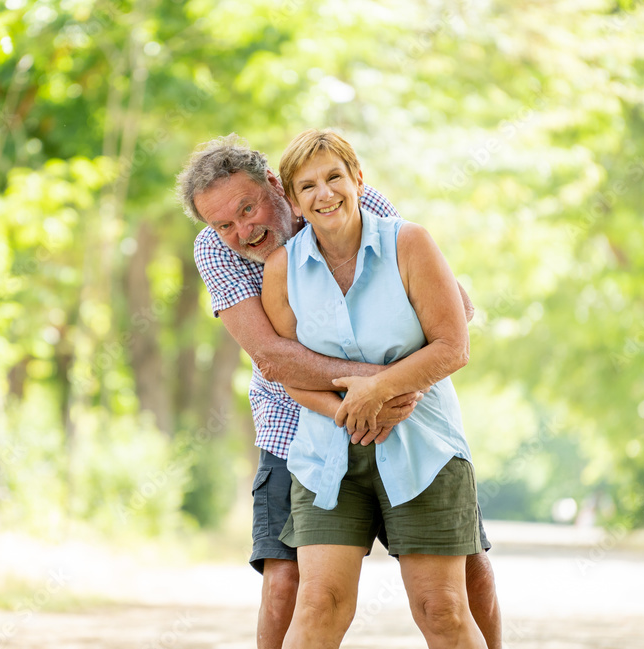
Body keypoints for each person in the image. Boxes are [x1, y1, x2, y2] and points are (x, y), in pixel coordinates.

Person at [177, 134, 501, 649]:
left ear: (273, 186)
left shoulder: (348, 198)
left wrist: (389, 387)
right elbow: (274, 358)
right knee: (291, 584)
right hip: (298, 420)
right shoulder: (221, 250)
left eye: (248, 208)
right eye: (224, 223)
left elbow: (453, 315)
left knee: (462, 577)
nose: (243, 230)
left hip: (410, 416)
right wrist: (370, 391)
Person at [261, 128, 488, 649]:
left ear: (357, 178)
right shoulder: (282, 270)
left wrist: (377, 391)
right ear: (293, 201)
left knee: (443, 609)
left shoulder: (409, 242)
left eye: (334, 177)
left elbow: (453, 346)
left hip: (424, 450)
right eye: (308, 186)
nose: (325, 194)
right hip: (326, 457)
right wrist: (354, 410)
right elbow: (289, 369)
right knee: (318, 604)